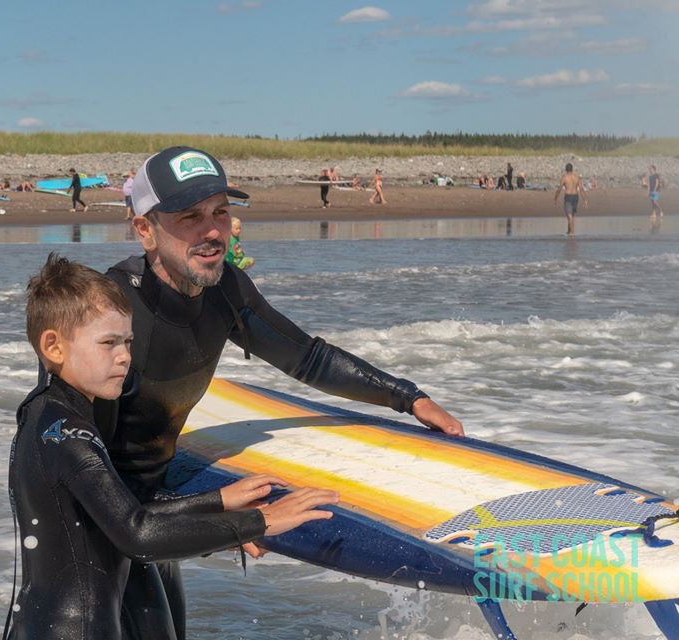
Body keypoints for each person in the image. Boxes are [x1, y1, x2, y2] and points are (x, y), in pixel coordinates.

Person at [101, 146, 463, 640]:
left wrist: (408, 397)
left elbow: (306, 357)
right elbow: (79, 463)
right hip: (100, 526)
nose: (212, 232)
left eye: (221, 213)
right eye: (190, 216)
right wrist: (219, 521)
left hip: (155, 509)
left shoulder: (224, 288)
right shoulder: (108, 310)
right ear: (145, 229)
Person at [5, 253, 338, 640]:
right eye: (109, 343)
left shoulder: (51, 417)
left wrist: (218, 502)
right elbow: (138, 534)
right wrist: (263, 521)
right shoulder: (68, 435)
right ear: (54, 347)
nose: (125, 356)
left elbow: (124, 515)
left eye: (128, 341)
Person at [554, 162, 588, 236]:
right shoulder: (577, 178)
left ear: (566, 170)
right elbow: (581, 189)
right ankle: (569, 231)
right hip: (576, 196)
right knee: (572, 215)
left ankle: (572, 233)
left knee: (569, 216)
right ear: (572, 169)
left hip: (568, 197)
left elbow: (559, 189)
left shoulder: (565, 178)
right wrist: (585, 199)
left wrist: (555, 198)